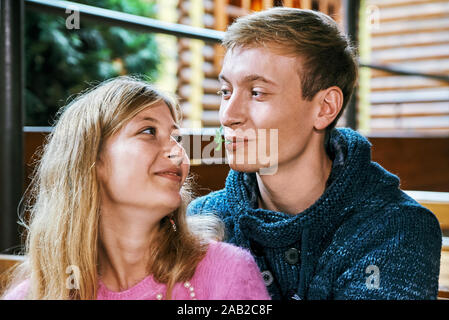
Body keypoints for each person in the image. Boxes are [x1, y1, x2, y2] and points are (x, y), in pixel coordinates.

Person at [187, 8, 442, 300]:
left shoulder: (399, 228)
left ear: (325, 108)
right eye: (225, 91)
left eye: (257, 92)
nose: (228, 115)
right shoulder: (204, 219)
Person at [1, 76, 270, 300]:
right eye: (149, 132)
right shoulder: (35, 295)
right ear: (92, 160)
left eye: (176, 138)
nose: (178, 153)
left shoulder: (227, 274)